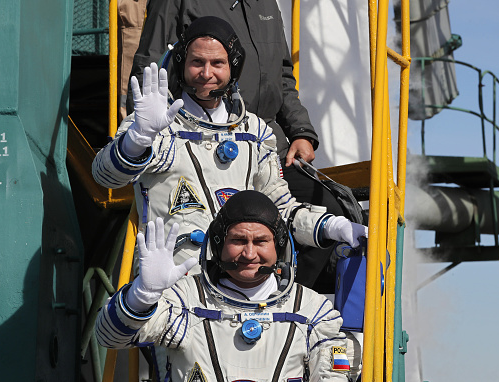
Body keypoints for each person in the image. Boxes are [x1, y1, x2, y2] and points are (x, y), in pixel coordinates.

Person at [92, 17, 367, 276]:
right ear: (181, 64)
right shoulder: (154, 124)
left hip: (239, 290)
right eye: (197, 62)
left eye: (218, 63)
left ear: (233, 67)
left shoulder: (255, 132)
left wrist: (333, 225)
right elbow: (106, 177)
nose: (206, 73)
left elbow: (280, 210)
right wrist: (138, 139)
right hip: (173, 288)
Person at [95, 190, 360, 382]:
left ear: (279, 247)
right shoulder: (186, 300)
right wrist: (142, 296)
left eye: (260, 241)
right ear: (219, 245)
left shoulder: (311, 311)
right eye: (238, 240)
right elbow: (108, 337)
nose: (249, 253)